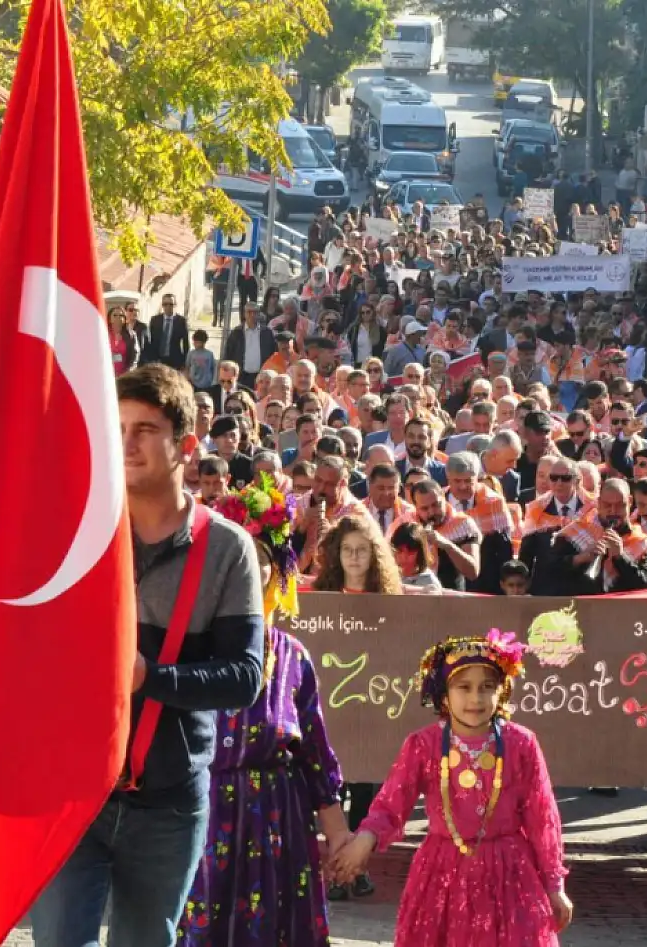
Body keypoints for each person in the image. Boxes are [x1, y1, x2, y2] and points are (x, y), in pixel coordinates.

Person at [31, 365, 265, 947]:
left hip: (168, 803)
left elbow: (244, 676)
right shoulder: (77, 530)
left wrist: (149, 676)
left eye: (144, 429)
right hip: (71, 791)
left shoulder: (227, 548)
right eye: (119, 428)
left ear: (185, 445)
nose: (127, 443)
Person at [181, 476, 350, 947]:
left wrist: (337, 835)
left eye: (257, 567)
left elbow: (315, 754)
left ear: (277, 576)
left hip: (277, 823)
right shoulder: (188, 650)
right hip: (204, 815)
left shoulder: (293, 656)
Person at [328, 631, 570, 945]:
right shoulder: (423, 745)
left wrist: (554, 885)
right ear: (443, 694)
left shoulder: (520, 744)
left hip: (510, 876)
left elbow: (542, 819)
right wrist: (364, 840)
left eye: (487, 688)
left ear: (503, 691)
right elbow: (390, 805)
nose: (476, 699)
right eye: (463, 687)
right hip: (442, 876)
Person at [310, 515, 404, 595]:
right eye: (347, 548)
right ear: (338, 552)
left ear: (374, 553)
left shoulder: (389, 597)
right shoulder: (319, 594)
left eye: (361, 549)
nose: (354, 556)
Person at [392, 521, 444, 593]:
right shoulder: (389, 576)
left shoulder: (430, 582)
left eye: (411, 550)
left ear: (421, 552)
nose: (404, 556)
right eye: (400, 550)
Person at [147, 294, 191, 370]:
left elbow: (185, 343)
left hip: (175, 360)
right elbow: (150, 340)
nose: (168, 307)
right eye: (165, 304)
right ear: (162, 305)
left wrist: (184, 361)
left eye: (171, 304)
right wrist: (150, 358)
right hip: (157, 359)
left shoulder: (181, 321)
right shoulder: (155, 320)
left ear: (175, 305)